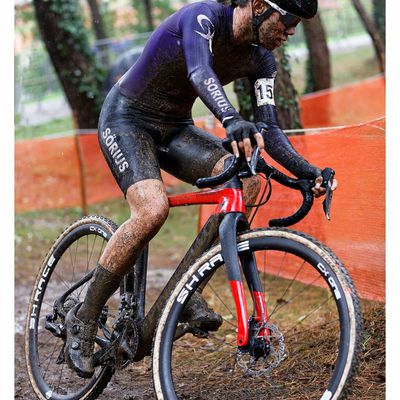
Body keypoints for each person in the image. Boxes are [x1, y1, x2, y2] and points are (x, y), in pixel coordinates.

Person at [65, 0, 337, 378]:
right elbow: (198, 70)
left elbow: (270, 130)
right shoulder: (203, 19)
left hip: (175, 128)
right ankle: (85, 315)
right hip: (127, 120)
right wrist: (230, 119)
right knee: (152, 209)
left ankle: (186, 289)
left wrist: (307, 172)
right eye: (288, 20)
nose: (290, 31)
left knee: (248, 182)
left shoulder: (262, 61)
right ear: (258, 5)